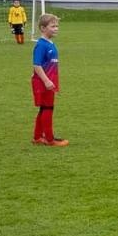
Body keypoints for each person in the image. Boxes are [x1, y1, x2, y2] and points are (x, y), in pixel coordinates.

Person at [30, 13, 66, 145]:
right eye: (53, 26)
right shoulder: (41, 45)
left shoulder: (50, 43)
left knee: (44, 108)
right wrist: (46, 81)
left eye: (57, 26)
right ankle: (50, 139)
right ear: (43, 28)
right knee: (48, 109)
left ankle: (37, 137)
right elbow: (37, 65)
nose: (56, 28)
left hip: (48, 82)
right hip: (44, 83)